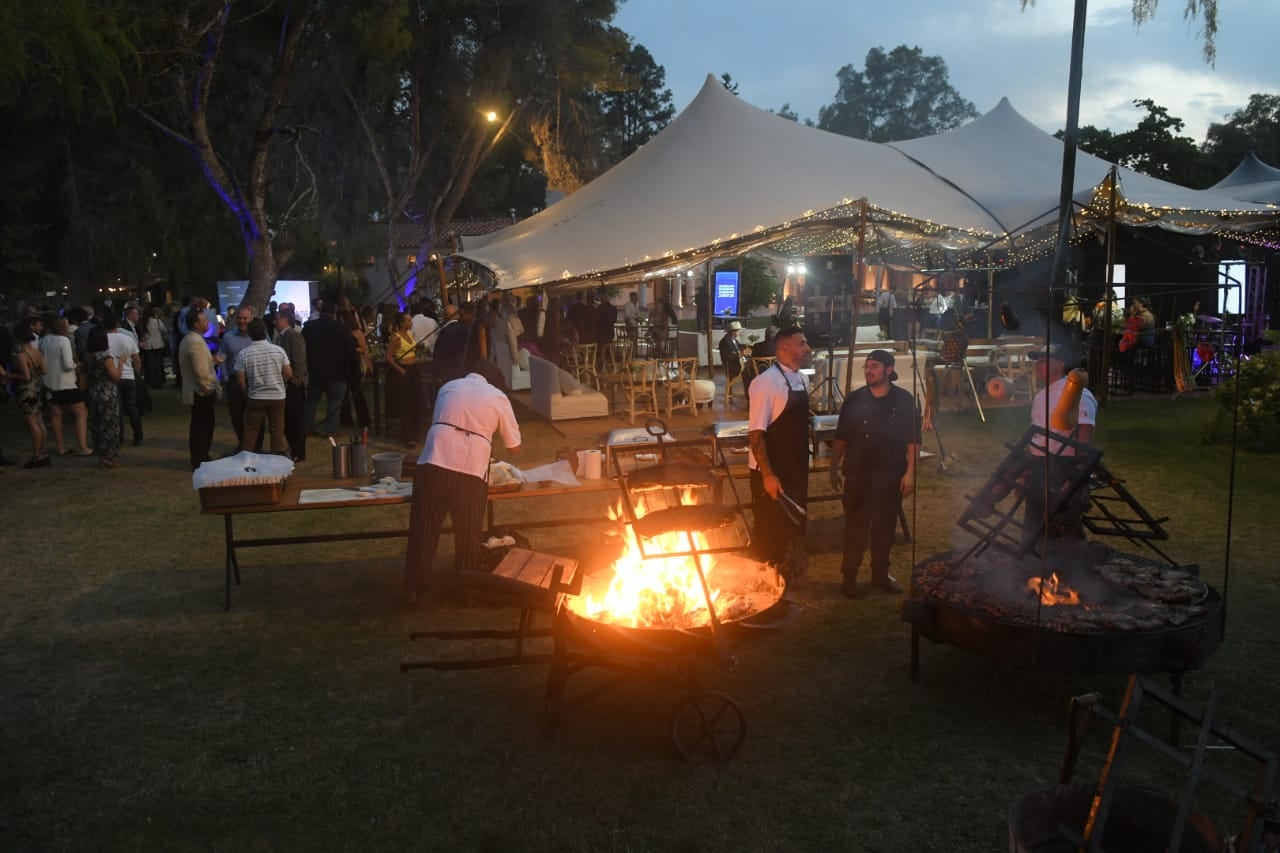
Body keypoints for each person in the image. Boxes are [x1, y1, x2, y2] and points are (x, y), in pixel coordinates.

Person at [403, 360, 522, 606]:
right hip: (469, 470)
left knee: (424, 528)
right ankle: (467, 591)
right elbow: (514, 447)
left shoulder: (448, 387)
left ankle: (414, 589)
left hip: (433, 463)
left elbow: (443, 421)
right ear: (494, 382)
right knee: (468, 532)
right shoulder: (497, 396)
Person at [830, 350, 920, 598]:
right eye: (867, 366)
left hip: (890, 475)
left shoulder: (903, 400)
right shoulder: (855, 400)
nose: (869, 370)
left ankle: (880, 575)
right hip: (858, 474)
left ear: (889, 370)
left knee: (885, 528)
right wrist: (834, 466)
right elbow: (841, 436)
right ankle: (849, 577)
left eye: (875, 366)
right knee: (856, 528)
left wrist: (910, 472)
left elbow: (914, 440)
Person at [747, 326, 813, 581]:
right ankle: (762, 581)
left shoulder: (802, 379)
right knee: (768, 529)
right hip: (771, 472)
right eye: (802, 343)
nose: (808, 348)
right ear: (785, 347)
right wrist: (768, 476)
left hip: (795, 467)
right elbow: (756, 435)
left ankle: (786, 576)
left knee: (793, 525)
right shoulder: (765, 383)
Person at [1022, 343, 1098, 550]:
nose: (1037, 364)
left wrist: (1076, 477)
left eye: (1043, 360)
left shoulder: (1078, 394)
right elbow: (1036, 437)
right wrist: (1026, 470)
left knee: (1062, 527)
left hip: (1062, 467)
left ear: (1060, 364)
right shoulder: (1040, 397)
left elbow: (1085, 434)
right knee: (1033, 522)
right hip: (1039, 466)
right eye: (1036, 360)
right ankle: (1029, 565)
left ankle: (1070, 570)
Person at [233, 318, 292, 455]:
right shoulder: (279, 350)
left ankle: (247, 461)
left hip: (256, 396)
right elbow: (289, 373)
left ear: (249, 334)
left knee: (251, 431)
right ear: (265, 332)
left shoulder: (244, 353)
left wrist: (246, 393)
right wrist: (279, 382)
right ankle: (277, 462)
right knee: (277, 430)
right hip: (277, 396)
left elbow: (240, 380)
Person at [39, 316, 92, 456]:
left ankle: (60, 447)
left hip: (49, 383)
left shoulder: (44, 340)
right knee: (81, 413)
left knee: (56, 415)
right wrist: (77, 365)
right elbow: (68, 364)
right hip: (66, 383)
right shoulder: (63, 341)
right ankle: (83, 446)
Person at [302, 301, 356, 438]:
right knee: (334, 403)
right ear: (333, 313)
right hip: (337, 372)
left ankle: (307, 427)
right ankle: (330, 430)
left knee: (311, 402)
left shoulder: (308, 327)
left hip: (315, 371)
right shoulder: (341, 328)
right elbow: (350, 350)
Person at [179, 305, 220, 470]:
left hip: (197, 390)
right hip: (200, 392)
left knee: (200, 424)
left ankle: (201, 456)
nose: (208, 322)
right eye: (204, 320)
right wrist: (208, 388)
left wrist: (213, 362)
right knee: (203, 425)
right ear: (196, 324)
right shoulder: (196, 342)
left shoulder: (189, 339)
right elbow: (200, 371)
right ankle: (201, 458)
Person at [10, 319, 50, 468]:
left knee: (32, 423)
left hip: (27, 389)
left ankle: (37, 455)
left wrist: (8, 375)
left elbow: (25, 376)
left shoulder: (22, 355)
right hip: (38, 386)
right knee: (39, 421)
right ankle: (43, 452)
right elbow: (44, 370)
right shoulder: (37, 352)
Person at [85, 325, 125, 469]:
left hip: (94, 391)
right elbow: (115, 376)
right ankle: (109, 457)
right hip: (107, 393)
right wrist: (121, 363)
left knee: (98, 424)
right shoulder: (105, 357)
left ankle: (101, 455)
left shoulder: (88, 356)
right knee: (110, 426)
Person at [104, 311, 144, 446]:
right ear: (118, 324)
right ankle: (138, 435)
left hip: (112, 376)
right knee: (133, 407)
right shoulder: (128, 338)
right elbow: (137, 360)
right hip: (129, 375)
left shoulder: (103, 339)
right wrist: (137, 373)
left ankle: (119, 436)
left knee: (118, 409)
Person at [219, 306, 255, 450]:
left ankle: (255, 445)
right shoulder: (228, 336)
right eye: (239, 318)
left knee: (255, 415)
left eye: (245, 318)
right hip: (234, 382)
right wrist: (226, 378)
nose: (242, 321)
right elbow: (222, 357)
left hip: (253, 381)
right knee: (236, 415)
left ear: (251, 319)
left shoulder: (259, 335)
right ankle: (243, 444)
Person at [274, 307, 308, 461]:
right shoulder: (281, 336)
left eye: (278, 319)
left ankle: (298, 452)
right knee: (288, 420)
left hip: (293, 386)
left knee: (295, 419)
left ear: (285, 320)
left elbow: (300, 360)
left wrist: (295, 381)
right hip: (285, 385)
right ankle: (294, 448)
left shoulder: (293, 336)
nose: (275, 322)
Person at [385, 312, 422, 448]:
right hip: (404, 370)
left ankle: (415, 432)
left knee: (416, 402)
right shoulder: (396, 337)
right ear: (401, 323)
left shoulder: (410, 335)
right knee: (406, 404)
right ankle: (407, 436)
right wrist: (400, 370)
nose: (411, 322)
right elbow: (388, 357)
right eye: (408, 320)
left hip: (414, 370)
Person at [718, 320, 748, 395]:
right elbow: (726, 357)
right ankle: (750, 395)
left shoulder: (733, 340)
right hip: (733, 367)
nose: (739, 333)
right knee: (752, 372)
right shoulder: (725, 342)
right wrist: (740, 354)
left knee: (753, 366)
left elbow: (738, 348)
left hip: (739, 363)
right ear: (733, 331)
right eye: (738, 331)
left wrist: (747, 347)